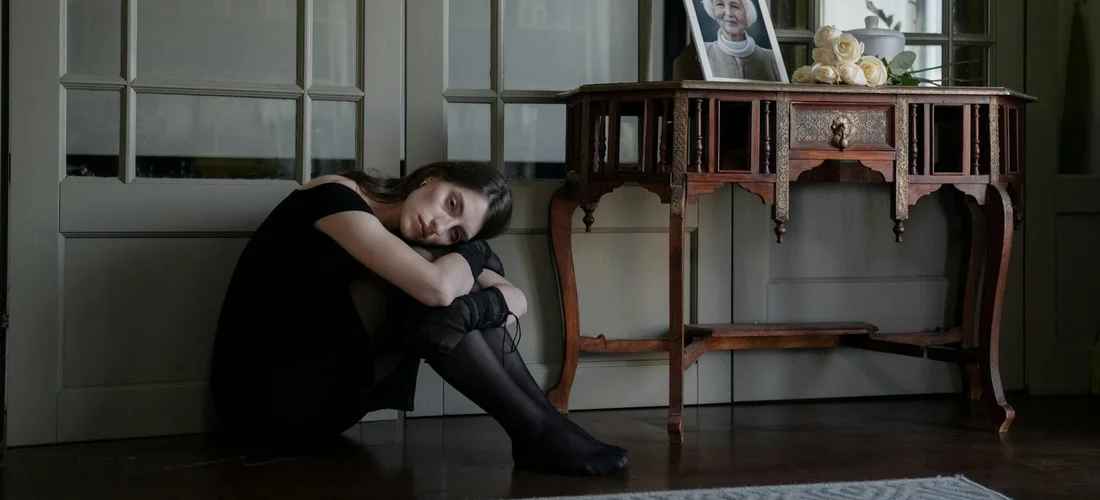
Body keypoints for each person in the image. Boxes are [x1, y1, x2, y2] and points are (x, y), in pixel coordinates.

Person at [209, 160, 628, 476]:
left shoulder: (421, 243)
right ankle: (538, 433)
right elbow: (437, 287)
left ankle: (546, 427)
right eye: (451, 203)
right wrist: (475, 253)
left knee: (447, 298)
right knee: (435, 291)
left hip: (328, 408)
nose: (440, 226)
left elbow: (515, 298)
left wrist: (471, 303)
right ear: (431, 178)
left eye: (457, 233)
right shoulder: (335, 196)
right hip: (263, 404)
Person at [700, 0, 781, 82]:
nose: (728, 13)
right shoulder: (702, 52)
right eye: (720, 4)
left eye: (735, 6)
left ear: (747, 13)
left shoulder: (771, 59)